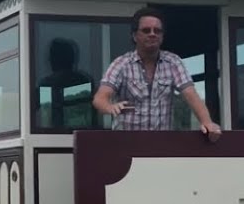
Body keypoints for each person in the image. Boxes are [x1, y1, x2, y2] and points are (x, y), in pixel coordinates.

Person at [92, 7, 222, 141]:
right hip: (125, 144)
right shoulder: (120, 64)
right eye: (146, 30)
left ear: (162, 36)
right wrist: (110, 107)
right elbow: (99, 99)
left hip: (161, 145)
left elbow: (190, 94)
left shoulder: (173, 62)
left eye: (157, 31)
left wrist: (207, 122)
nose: (152, 34)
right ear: (135, 36)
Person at [37, 37, 94, 129]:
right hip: (84, 133)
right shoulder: (84, 80)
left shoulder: (47, 84)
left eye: (50, 57)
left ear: (53, 59)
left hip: (55, 135)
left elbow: (45, 114)